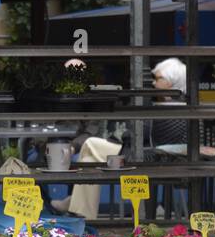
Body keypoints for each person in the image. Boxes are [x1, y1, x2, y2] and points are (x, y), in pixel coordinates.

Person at [51, 58, 186, 219]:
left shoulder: (171, 110)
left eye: (158, 79)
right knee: (89, 158)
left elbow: (138, 133)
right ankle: (80, 212)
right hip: (139, 152)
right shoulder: (167, 106)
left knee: (91, 144)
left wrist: (130, 127)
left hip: (144, 156)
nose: (154, 84)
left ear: (171, 82)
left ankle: (79, 208)